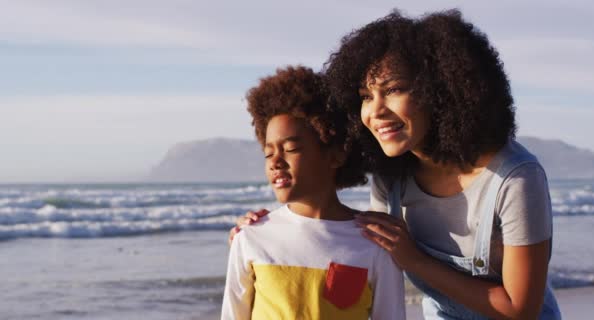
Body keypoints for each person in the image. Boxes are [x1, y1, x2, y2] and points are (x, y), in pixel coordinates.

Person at [232, 10, 561, 319]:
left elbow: (521, 309)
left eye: (393, 90)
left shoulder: (515, 179)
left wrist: (415, 259)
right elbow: (359, 239)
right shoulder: (392, 177)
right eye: (365, 95)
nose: (375, 111)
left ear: (442, 90)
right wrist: (267, 229)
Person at [221, 66, 406, 320]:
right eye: (268, 152)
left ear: (336, 155)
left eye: (291, 149)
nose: (275, 161)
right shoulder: (251, 237)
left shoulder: (374, 244)